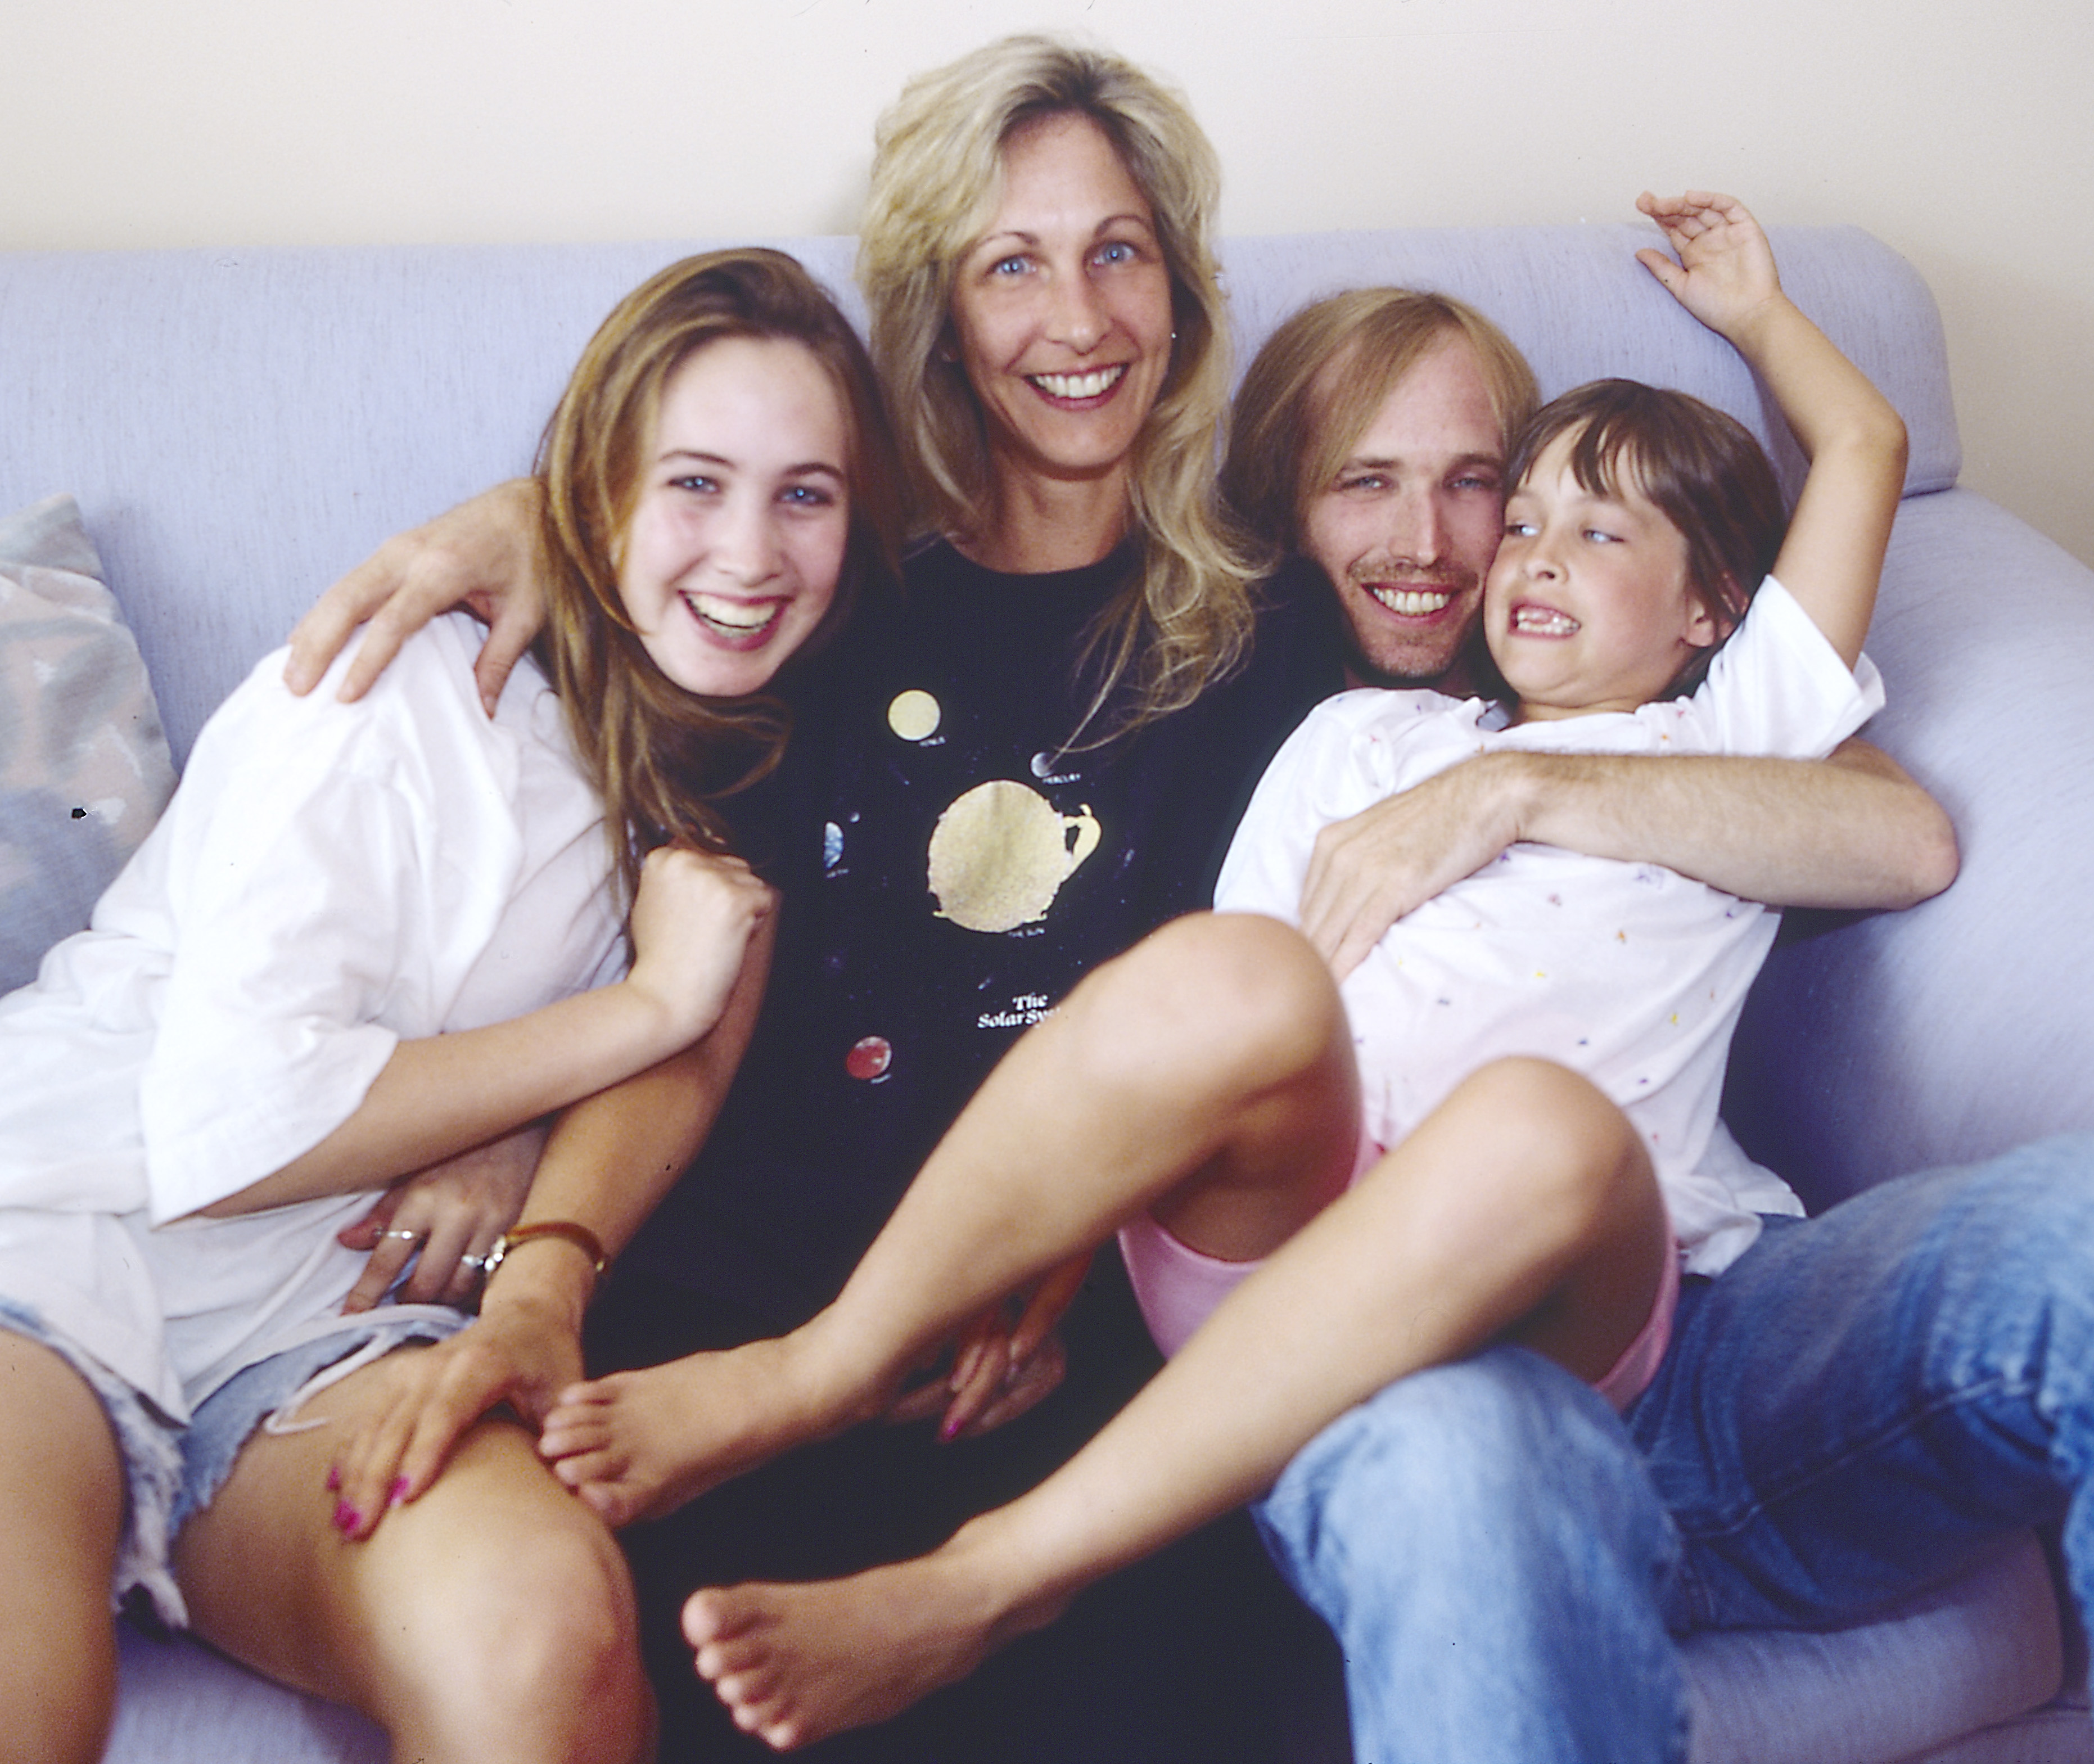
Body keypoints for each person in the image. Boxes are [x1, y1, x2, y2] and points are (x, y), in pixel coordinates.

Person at [281, 39, 1953, 1762]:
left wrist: (1528, 779)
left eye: (1118, 252)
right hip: (749, 1306)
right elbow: (690, 932)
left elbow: (1867, 822)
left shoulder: (1309, 631)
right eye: (1012, 262)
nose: (1075, 317)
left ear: (1179, 291)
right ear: (936, 310)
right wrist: (538, 520)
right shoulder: (823, 575)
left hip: (1072, 1356)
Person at [0, 246, 903, 1764]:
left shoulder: (753, 755)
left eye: (804, 495)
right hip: (62, 1250)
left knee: (539, 1632)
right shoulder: (398, 689)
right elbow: (242, 1125)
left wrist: (536, 1126)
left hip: (318, 1347)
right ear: (594, 485)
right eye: (693, 483)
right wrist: (640, 1010)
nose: (750, 552)